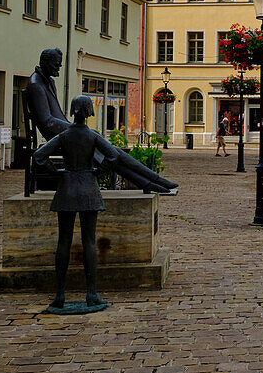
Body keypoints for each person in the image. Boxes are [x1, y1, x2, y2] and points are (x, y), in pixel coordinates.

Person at [25, 48, 176, 193]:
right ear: (45, 62)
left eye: (59, 65)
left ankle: (152, 180)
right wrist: (74, 129)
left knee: (113, 152)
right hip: (59, 138)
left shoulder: (48, 81)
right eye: (56, 65)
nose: (59, 68)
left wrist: (76, 128)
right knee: (110, 152)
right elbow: (48, 121)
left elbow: (57, 117)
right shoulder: (36, 84)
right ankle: (151, 181)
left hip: (67, 133)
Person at [33, 96, 118, 311]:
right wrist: (98, 171)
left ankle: (60, 294)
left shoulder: (64, 135)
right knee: (89, 241)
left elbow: (39, 156)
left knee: (64, 241)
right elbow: (113, 155)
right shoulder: (92, 136)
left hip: (68, 188)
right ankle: (91, 293)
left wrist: (57, 172)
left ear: (73, 111)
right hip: (88, 187)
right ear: (89, 112)